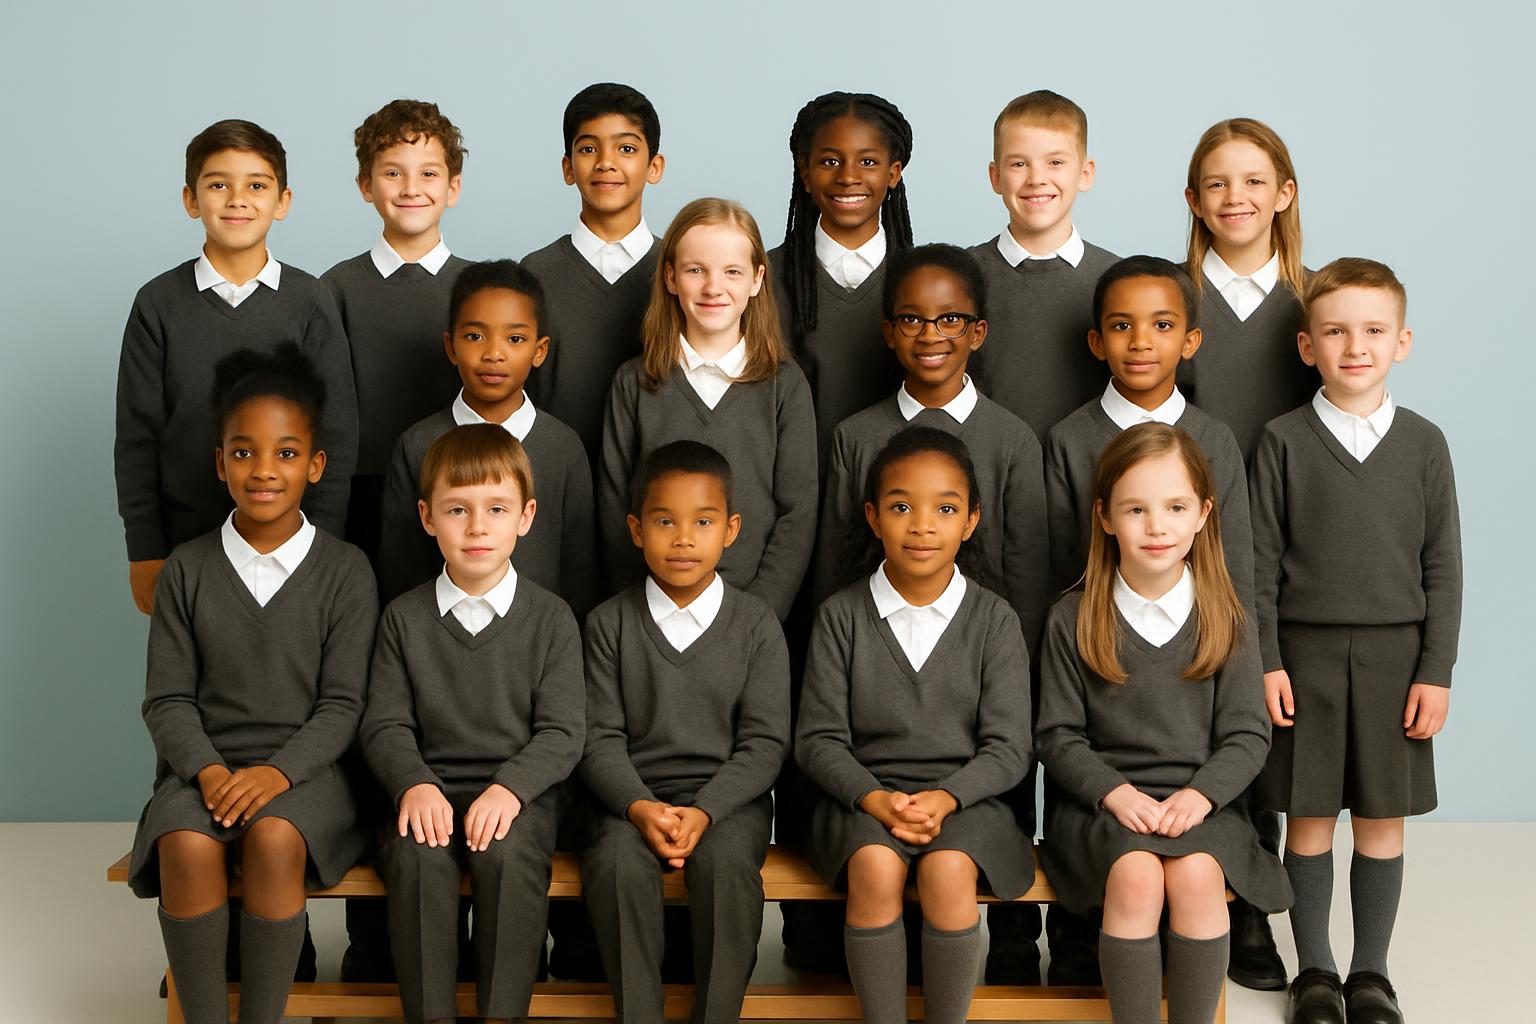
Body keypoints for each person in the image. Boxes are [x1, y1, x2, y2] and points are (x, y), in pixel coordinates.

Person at [127, 343, 376, 1024]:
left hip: (309, 776)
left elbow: (343, 704)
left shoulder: (346, 572)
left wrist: (276, 774)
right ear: (220, 463)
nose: (264, 469)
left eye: (286, 453)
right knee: (185, 842)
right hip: (202, 772)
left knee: (273, 838)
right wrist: (209, 773)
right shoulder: (187, 569)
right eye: (244, 452)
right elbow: (168, 700)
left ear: (315, 465)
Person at [1249, 258, 1461, 1024]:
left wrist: (1435, 670)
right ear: (1308, 346)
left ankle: (1371, 973)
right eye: (1335, 332)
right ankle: (1315, 971)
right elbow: (1258, 565)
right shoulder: (1281, 440)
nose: (1355, 346)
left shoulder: (1425, 444)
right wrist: (1268, 661)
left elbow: (1443, 565)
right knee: (1307, 818)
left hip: (1396, 663)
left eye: (1373, 330)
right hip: (1303, 660)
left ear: (1402, 342)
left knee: (1380, 819)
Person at [1037, 421, 1286, 1024]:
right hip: (1103, 808)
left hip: (1202, 805)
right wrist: (1116, 794)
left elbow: (1247, 735)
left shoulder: (1227, 618)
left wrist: (1200, 796)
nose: (1156, 526)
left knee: (1198, 877)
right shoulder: (1072, 617)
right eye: (1136, 509)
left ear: (1203, 515)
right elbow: (1057, 735)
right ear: (1104, 517)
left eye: (1175, 507)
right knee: (1137, 876)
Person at [797, 426, 1034, 1024]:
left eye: (945, 509)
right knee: (875, 867)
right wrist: (875, 799)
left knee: (949, 871)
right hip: (863, 800)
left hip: (967, 802)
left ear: (971, 521)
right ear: (873, 518)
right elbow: (819, 740)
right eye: (902, 507)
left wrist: (947, 797)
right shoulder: (841, 617)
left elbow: (1009, 748)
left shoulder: (995, 621)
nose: (923, 526)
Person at [362, 424, 585, 1024]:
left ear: (526, 517)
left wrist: (511, 788)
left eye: (497, 509)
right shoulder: (403, 619)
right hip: (427, 791)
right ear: (427, 518)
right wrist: (413, 783)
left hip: (518, 797)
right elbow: (385, 724)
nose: (478, 527)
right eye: (458, 509)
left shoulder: (552, 620)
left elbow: (563, 731)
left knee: (507, 858)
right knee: (416, 858)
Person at [580, 440, 790, 1024]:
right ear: (635, 529)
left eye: (702, 521)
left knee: (726, 869)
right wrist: (639, 805)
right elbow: (598, 738)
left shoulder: (756, 625)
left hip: (729, 803)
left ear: (731, 530)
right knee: (615, 865)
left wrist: (706, 809)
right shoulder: (608, 625)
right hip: (630, 799)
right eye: (664, 521)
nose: (682, 539)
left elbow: (764, 743)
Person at [115, 118, 357, 615]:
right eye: (218, 185)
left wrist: (324, 542)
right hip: (185, 541)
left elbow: (336, 430)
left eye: (257, 186)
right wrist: (144, 549)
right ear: (191, 199)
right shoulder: (157, 304)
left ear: (283, 202)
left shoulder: (309, 301)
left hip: (292, 544)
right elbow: (137, 436)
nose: (237, 200)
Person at [598, 197, 817, 622]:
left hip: (754, 618)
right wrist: (643, 613)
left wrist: (759, 617)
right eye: (696, 270)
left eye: (732, 271)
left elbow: (798, 513)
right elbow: (614, 508)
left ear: (756, 279)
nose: (713, 287)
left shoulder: (784, 385)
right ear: (671, 277)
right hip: (652, 614)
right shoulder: (633, 383)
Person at [377, 259, 595, 616]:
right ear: (451, 346)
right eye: (475, 336)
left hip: (542, 640)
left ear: (539, 351)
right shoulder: (417, 445)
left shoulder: (563, 447)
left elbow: (580, 573)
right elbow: (400, 571)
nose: (494, 354)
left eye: (515, 339)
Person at [322, 98, 472, 566]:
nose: (411, 189)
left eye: (428, 173)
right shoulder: (335, 289)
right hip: (360, 494)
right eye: (393, 173)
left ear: (453, 187)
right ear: (366, 185)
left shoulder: (478, 289)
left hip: (463, 489)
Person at [770, 90, 915, 467]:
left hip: (903, 495)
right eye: (830, 161)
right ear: (805, 174)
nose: (848, 176)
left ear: (893, 173)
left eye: (867, 161)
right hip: (795, 490)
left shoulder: (923, 283)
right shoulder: (760, 282)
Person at [967, 90, 1119, 446]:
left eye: (1055, 162)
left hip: (1092, 466)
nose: (1036, 178)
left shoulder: (1118, 281)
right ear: (995, 177)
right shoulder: (963, 276)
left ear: (1085, 173)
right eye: (1019, 164)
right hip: (986, 465)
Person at [524, 83, 666, 462]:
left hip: (657, 483)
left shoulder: (680, 272)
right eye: (588, 149)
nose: (606, 162)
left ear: (654, 167)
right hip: (551, 475)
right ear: (568, 168)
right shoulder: (534, 274)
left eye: (626, 149)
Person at [1181, 117, 1315, 463]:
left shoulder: (1319, 300)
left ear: (1284, 194)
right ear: (1195, 201)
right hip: (1187, 492)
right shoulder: (1164, 295)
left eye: (1254, 181)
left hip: (1293, 493)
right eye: (1217, 184)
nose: (1234, 197)